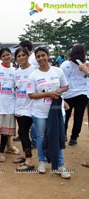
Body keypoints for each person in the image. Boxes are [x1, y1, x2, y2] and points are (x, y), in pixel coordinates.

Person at [27, 47, 70, 179]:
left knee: (57, 137)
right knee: (41, 137)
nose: (41, 58)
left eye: (43, 55)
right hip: (39, 112)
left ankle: (60, 165)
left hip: (57, 111)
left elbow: (66, 86)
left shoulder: (58, 71)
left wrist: (57, 92)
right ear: (36, 58)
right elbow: (31, 95)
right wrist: (47, 94)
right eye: (38, 56)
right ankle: (42, 161)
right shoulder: (33, 75)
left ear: (48, 56)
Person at [13, 48, 36, 171]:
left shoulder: (34, 70)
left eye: (23, 55)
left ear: (28, 56)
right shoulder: (16, 72)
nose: (21, 57)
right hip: (18, 106)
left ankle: (29, 160)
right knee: (23, 134)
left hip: (30, 107)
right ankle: (24, 154)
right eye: (19, 56)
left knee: (22, 132)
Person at [60, 44, 88, 146]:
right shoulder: (85, 64)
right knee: (78, 117)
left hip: (69, 94)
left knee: (66, 116)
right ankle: (74, 138)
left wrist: (84, 69)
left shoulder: (64, 64)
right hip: (80, 94)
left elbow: (60, 80)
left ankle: (64, 136)